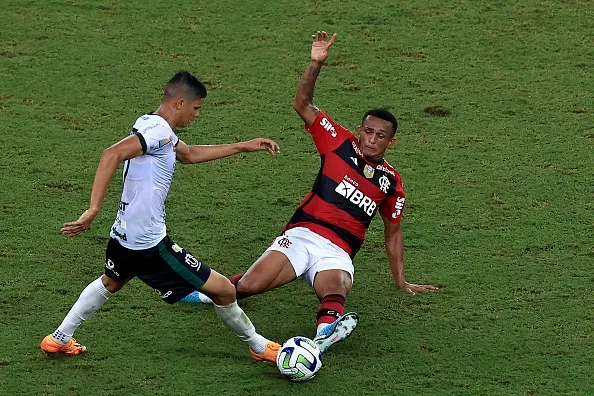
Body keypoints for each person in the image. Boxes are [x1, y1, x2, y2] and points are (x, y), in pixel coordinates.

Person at [187, 31, 438, 353]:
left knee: (337, 286)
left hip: (338, 251)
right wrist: (315, 63)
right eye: (369, 131)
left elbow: (393, 233)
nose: (372, 139)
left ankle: (324, 335)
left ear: (392, 142)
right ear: (360, 129)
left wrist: (401, 281)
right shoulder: (339, 142)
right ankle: (203, 292)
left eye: (381, 136)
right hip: (304, 235)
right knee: (250, 285)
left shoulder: (391, 182)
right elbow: (301, 104)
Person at [40, 71, 281, 363]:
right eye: (196, 108)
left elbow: (189, 154)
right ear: (180, 103)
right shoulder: (160, 132)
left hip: (123, 234)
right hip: (149, 244)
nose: (197, 115)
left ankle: (59, 338)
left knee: (111, 282)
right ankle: (258, 346)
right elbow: (111, 154)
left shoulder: (149, 124)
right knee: (224, 290)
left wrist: (243, 145)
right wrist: (92, 210)